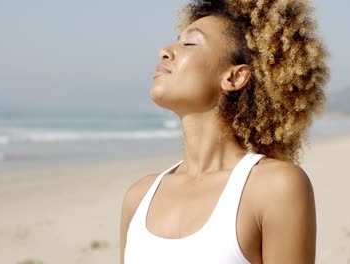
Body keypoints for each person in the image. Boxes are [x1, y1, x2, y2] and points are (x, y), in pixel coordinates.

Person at [120, 0, 329, 263]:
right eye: (175, 40)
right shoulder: (138, 197)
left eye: (190, 43)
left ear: (234, 77)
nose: (164, 51)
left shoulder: (274, 187)